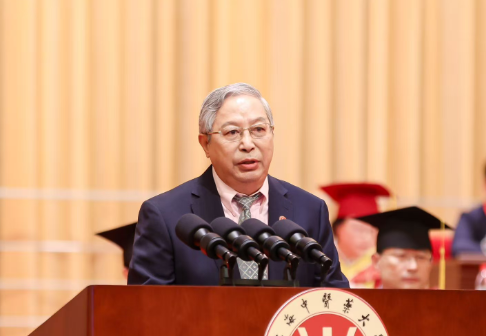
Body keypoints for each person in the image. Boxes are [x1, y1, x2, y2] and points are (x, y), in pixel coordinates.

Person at [128, 83, 348, 287]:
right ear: (205, 144)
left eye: (258, 130)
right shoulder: (165, 215)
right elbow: (148, 307)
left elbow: (333, 297)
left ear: (272, 134)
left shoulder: (310, 210)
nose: (248, 144)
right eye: (232, 132)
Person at [357, 207, 452, 289]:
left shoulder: (444, 303)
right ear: (376, 261)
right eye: (401, 256)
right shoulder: (360, 303)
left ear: (431, 263)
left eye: (421, 257)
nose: (413, 267)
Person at [321, 183, 390, 288]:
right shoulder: (322, 257)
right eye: (359, 230)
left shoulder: (380, 264)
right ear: (337, 228)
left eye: (372, 231)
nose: (366, 238)